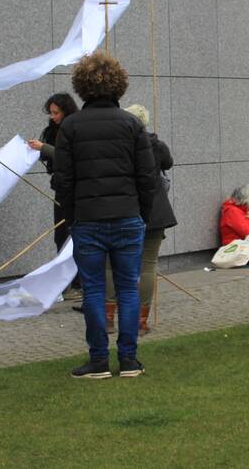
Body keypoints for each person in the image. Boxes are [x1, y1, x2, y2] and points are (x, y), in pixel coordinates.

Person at [54, 50, 158, 378]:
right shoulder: (131, 125)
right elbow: (147, 177)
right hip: (127, 217)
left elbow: (64, 180)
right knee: (128, 287)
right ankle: (129, 359)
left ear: (81, 86)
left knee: (95, 290)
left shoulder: (70, 127)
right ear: (119, 85)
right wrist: (140, 212)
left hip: (88, 219)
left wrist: (71, 217)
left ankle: (98, 359)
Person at [105, 104, 177, 336]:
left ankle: (108, 318)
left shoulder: (115, 145)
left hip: (123, 209)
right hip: (154, 212)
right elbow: (167, 163)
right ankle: (140, 321)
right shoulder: (155, 144)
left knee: (111, 263)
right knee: (147, 266)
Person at [27, 92, 80, 297]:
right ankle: (65, 281)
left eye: (56, 113)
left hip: (75, 191)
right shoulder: (53, 130)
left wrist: (45, 148)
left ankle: (79, 282)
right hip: (60, 188)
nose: (53, 117)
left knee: (76, 236)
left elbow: (69, 157)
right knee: (61, 235)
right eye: (51, 113)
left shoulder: (75, 128)